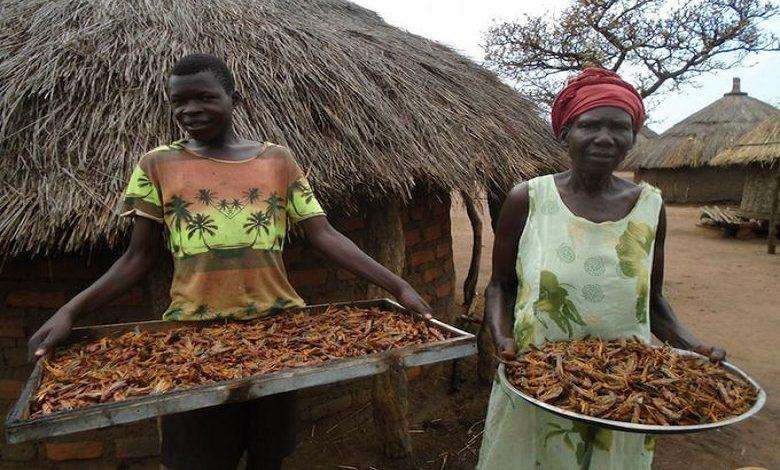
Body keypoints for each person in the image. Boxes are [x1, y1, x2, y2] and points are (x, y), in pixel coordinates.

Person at [28, 53, 432, 470]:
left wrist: (397, 286)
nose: (190, 110)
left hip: (279, 334)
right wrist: (70, 311)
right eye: (178, 101)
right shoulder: (157, 164)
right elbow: (137, 258)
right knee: (197, 459)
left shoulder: (277, 160)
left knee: (267, 455)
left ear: (234, 99)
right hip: (193, 339)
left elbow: (324, 234)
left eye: (203, 97)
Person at [477, 68, 725, 470]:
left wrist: (694, 346)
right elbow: (501, 286)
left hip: (625, 384)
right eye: (590, 125)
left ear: (633, 136)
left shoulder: (650, 205)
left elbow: (653, 301)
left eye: (620, 127)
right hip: (541, 378)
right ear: (565, 133)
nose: (605, 138)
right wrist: (503, 338)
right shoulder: (528, 199)